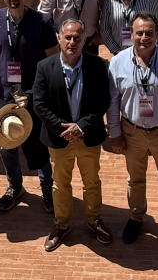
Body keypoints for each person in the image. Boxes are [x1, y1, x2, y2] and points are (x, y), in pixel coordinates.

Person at [107, 12, 158, 245]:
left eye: (149, 33)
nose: (144, 37)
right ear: (131, 35)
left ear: (157, 34)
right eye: (139, 33)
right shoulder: (117, 63)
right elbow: (112, 103)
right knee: (135, 180)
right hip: (131, 131)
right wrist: (114, 133)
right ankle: (135, 217)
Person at [33, 19, 113, 251]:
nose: (72, 42)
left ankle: (94, 220)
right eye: (67, 37)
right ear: (59, 39)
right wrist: (63, 129)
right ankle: (62, 224)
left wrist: (81, 127)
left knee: (92, 182)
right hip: (59, 139)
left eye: (77, 37)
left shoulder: (98, 65)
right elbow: (39, 104)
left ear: (85, 40)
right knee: (60, 184)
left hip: (87, 137)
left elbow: (103, 102)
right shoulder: (44, 66)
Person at [0, 0, 59, 213]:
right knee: (7, 143)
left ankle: (47, 187)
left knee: (39, 143)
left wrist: (39, 92)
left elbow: (53, 61)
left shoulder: (42, 23)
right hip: (5, 93)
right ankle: (15, 186)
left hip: (33, 94)